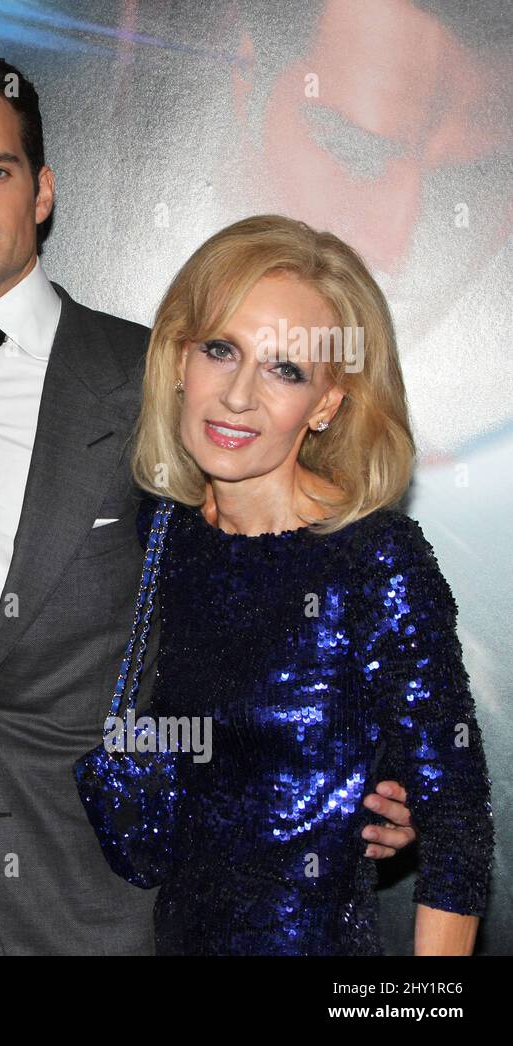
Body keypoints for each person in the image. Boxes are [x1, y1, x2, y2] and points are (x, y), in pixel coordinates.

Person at [0, 50, 415, 955]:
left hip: (93, 900)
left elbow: (291, 575)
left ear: (41, 190)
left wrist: (369, 758)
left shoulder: (165, 385)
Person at [110, 213, 493, 954]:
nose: (239, 396)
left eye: (285, 369)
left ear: (326, 403)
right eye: (221, 350)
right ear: (179, 359)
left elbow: (457, 823)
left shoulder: (374, 557)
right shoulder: (159, 533)